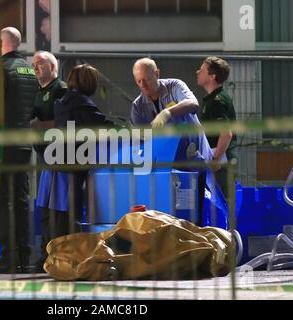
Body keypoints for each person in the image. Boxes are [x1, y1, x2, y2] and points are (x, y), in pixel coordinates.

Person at [130, 57, 212, 225]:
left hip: (195, 160)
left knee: (199, 211)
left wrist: (168, 113)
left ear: (157, 74)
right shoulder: (138, 107)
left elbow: (193, 103)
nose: (143, 85)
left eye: (146, 79)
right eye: (138, 81)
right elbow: (138, 141)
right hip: (166, 167)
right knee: (172, 214)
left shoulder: (175, 86)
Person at [0, 27, 38, 274]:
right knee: (21, 200)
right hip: (24, 144)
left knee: (1, 202)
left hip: (4, 145)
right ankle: (24, 256)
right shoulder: (29, 70)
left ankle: (6, 258)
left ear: (0, 43)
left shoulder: (0, 69)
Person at [52, 64, 114, 236]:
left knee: (62, 215)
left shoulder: (64, 101)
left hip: (60, 164)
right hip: (73, 166)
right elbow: (102, 125)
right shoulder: (81, 103)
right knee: (72, 214)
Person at [30, 51, 68, 270]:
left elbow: (65, 121)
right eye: (33, 64)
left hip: (58, 157)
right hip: (44, 155)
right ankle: (46, 253)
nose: (35, 67)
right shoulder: (38, 91)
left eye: (40, 64)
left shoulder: (60, 89)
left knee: (55, 208)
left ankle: (56, 254)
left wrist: (40, 126)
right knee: (43, 206)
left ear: (53, 67)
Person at [197, 56, 238, 199]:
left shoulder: (217, 101)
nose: (198, 72)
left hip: (221, 164)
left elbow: (226, 134)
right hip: (219, 161)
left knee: (223, 204)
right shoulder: (212, 99)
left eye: (202, 70)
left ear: (212, 76)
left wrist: (215, 159)